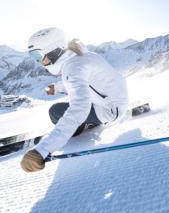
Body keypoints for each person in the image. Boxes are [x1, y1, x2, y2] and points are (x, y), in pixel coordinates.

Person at [20, 27, 129, 172]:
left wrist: (43, 149)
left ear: (54, 50)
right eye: (33, 57)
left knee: (55, 111)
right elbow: (85, 83)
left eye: (38, 56)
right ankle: (84, 122)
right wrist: (57, 88)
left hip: (108, 111)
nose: (39, 62)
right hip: (113, 102)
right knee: (60, 109)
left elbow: (78, 108)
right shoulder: (82, 56)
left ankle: (79, 128)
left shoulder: (73, 68)